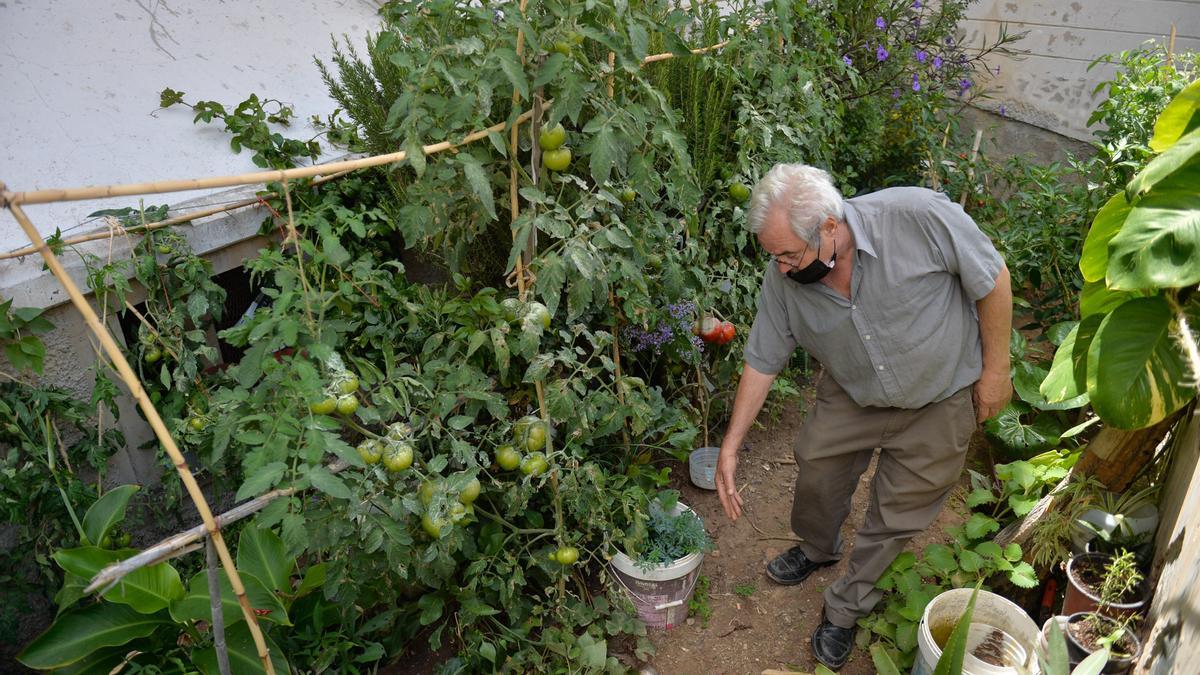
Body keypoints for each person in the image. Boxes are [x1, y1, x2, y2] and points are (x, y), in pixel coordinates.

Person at [714, 163, 1012, 670]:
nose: (783, 268)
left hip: (938, 399)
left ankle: (847, 606)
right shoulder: (784, 278)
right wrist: (731, 445)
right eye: (775, 256)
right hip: (852, 394)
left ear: (830, 226)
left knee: (897, 515)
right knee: (816, 473)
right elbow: (763, 357)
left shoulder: (917, 217)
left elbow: (992, 278)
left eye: (789, 254)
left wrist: (996, 371)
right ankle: (817, 547)